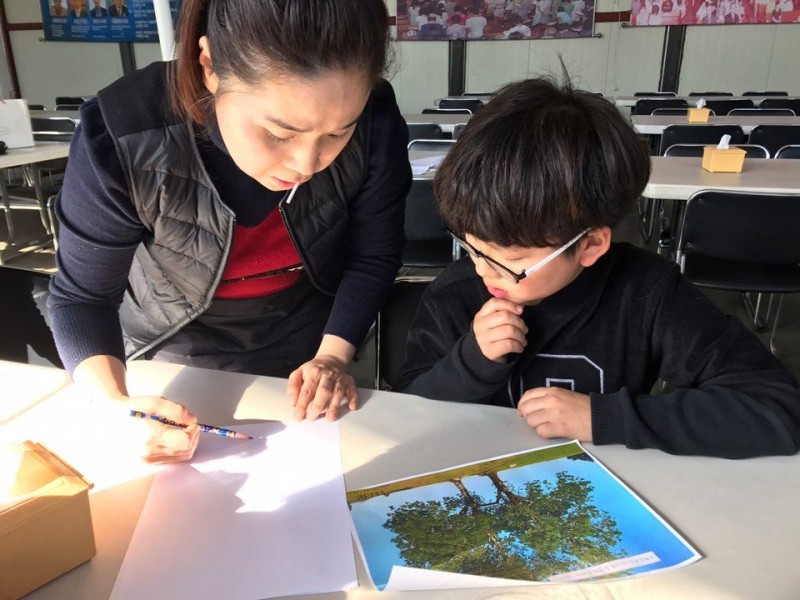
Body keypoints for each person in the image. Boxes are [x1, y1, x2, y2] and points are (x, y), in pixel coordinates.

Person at [48, 0, 410, 463]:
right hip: (171, 335)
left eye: (339, 134)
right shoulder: (124, 134)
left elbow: (372, 255)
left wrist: (332, 356)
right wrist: (113, 405)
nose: (307, 164)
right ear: (210, 66)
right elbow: (83, 298)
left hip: (306, 332)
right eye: (280, 134)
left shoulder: (376, 119)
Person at [394, 76, 800, 459]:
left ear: (589, 245)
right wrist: (472, 362)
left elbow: (779, 407)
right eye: (473, 248)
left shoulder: (646, 293)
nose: (485, 271)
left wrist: (604, 418)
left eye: (511, 260)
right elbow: (406, 411)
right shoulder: (457, 293)